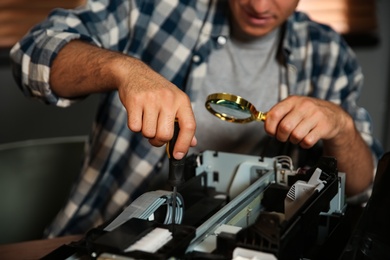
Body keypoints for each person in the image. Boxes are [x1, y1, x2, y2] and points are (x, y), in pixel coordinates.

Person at [10, 0, 382, 237]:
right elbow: (30, 54)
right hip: (102, 235)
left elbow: (362, 189)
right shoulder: (152, 9)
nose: (259, 4)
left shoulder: (329, 53)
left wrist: (344, 129)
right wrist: (122, 69)